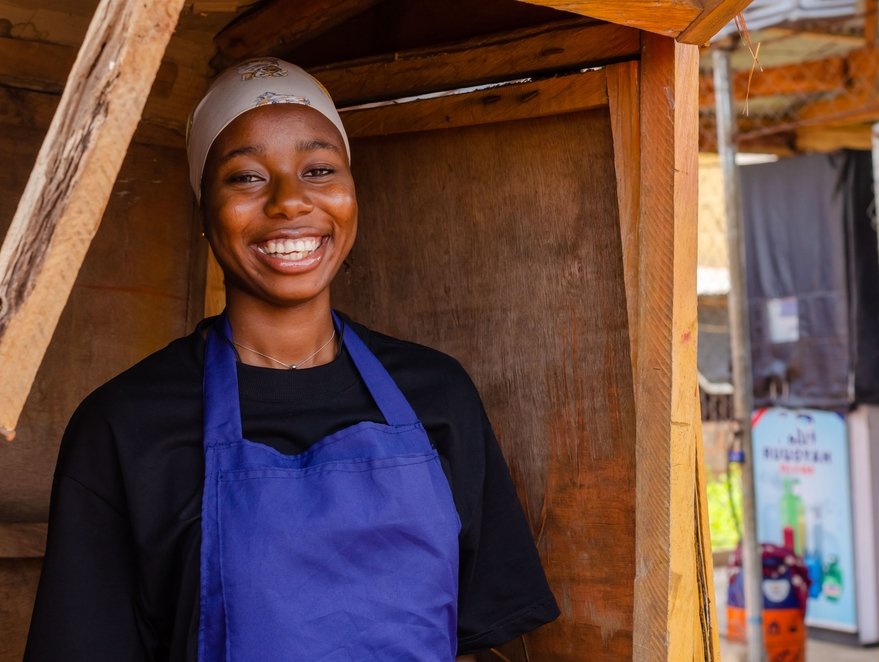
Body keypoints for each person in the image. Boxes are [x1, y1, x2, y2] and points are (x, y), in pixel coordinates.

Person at [25, 57, 558, 661]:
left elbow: (482, 639)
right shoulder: (124, 425)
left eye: (319, 169)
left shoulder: (436, 393)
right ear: (204, 209)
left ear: (352, 193)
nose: (288, 201)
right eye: (247, 177)